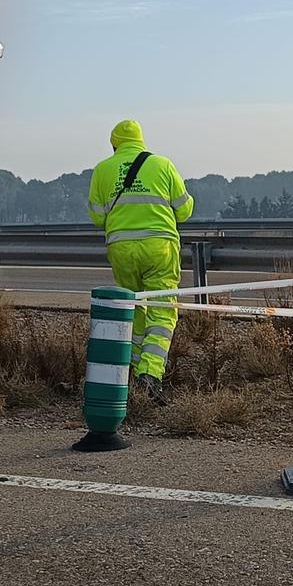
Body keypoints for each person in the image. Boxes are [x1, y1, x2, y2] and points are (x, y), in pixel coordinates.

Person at [88, 120, 194, 403]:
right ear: (141, 141)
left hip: (121, 249)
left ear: (114, 145)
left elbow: (97, 217)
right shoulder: (162, 164)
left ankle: (133, 374)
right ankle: (150, 374)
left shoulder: (102, 170)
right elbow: (184, 210)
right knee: (162, 312)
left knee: (133, 308)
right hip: (159, 248)